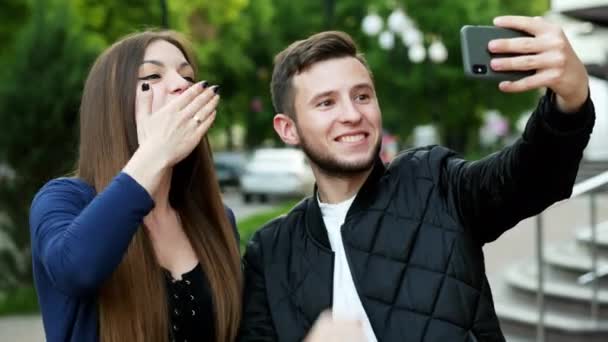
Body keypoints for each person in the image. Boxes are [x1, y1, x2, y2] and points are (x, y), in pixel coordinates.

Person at [239, 16, 595, 341]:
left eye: (362, 96)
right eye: (326, 103)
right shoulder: (269, 253)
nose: (351, 114)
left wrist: (571, 98)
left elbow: (528, 175)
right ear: (288, 129)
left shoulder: (433, 180)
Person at [29, 30, 242, 342]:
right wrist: (152, 155)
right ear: (112, 105)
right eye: (153, 76)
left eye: (188, 76)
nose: (183, 85)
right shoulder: (63, 200)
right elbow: (76, 270)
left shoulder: (215, 218)